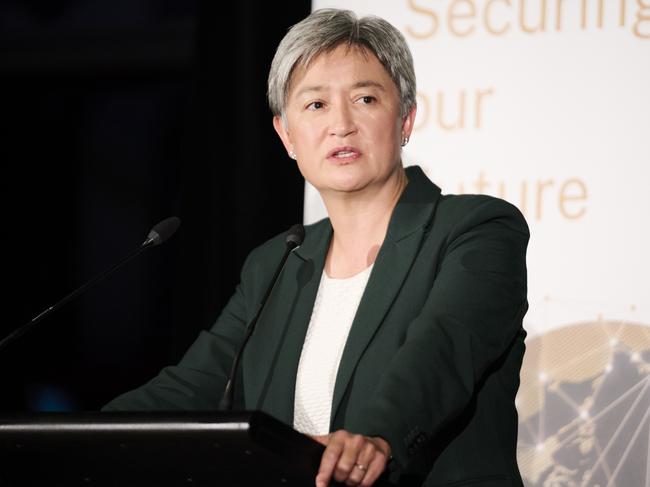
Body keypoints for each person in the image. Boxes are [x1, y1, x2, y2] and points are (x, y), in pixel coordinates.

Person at [103, 8, 529, 487]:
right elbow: (191, 386)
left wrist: (376, 436)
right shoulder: (277, 263)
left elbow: (442, 350)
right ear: (286, 136)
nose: (341, 124)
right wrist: (80, 439)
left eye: (365, 98)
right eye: (315, 105)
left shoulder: (477, 229)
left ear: (406, 119)